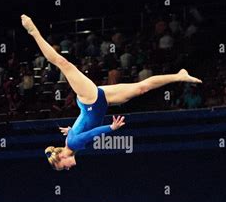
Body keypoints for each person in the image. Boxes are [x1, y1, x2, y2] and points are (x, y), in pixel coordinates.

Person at [20, 14, 202, 171]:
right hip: (99, 102)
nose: (68, 168)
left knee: (63, 63)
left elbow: (91, 134)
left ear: (61, 157)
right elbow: (82, 127)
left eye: (64, 166)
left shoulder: (73, 144)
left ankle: (33, 31)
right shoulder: (72, 144)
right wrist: (72, 129)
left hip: (90, 99)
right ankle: (179, 76)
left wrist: (111, 128)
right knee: (141, 88)